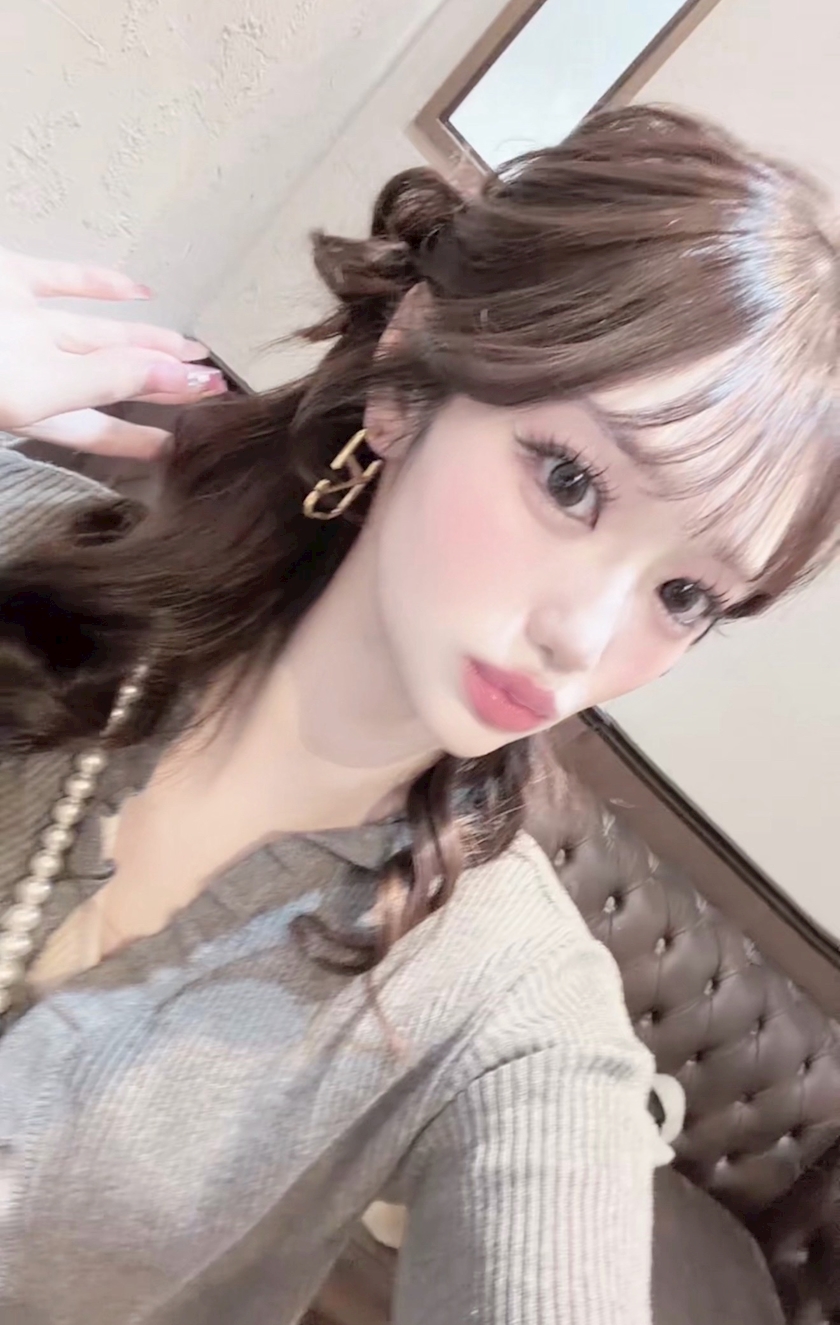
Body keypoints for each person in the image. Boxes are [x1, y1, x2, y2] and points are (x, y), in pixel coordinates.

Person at [0, 104, 837, 1325]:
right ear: (407, 381)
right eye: (571, 481)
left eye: (686, 595)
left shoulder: (503, 1003)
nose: (582, 638)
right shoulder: (29, 549)